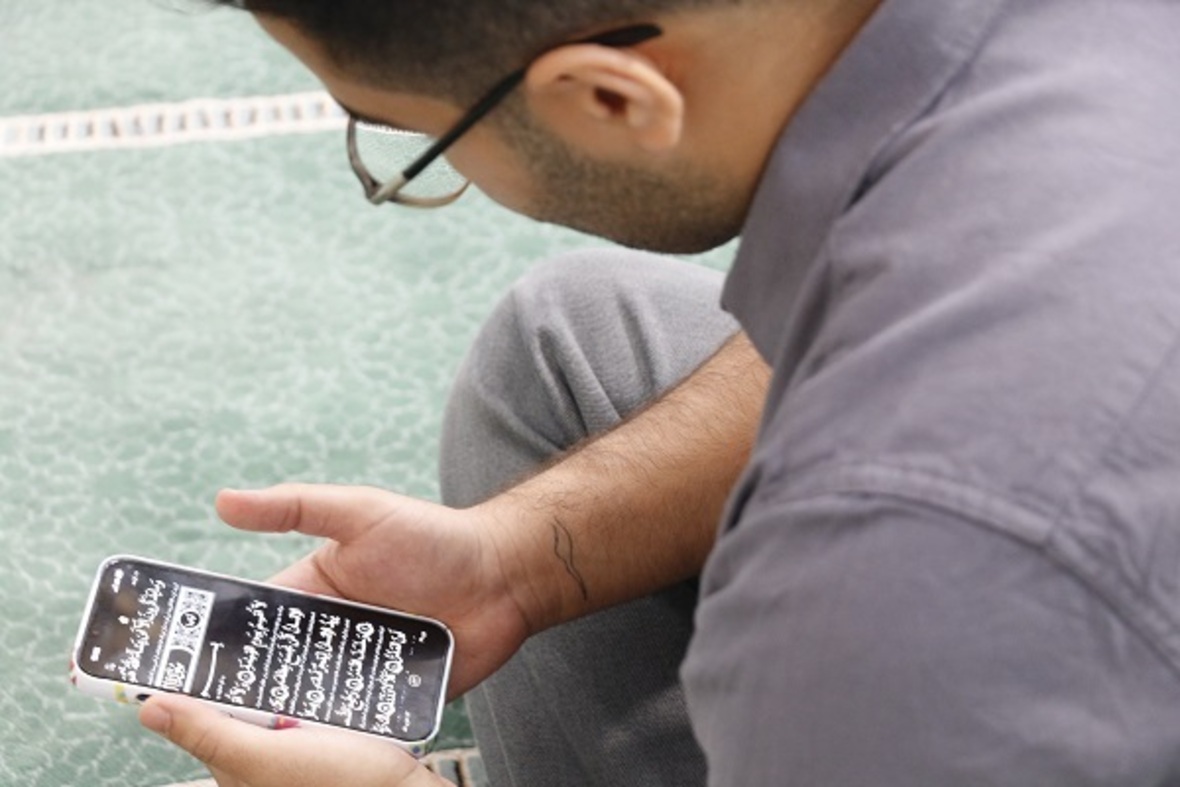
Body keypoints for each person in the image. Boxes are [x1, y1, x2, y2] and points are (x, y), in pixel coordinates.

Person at [139, 0, 1180, 784]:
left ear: (611, 99)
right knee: (566, 337)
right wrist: (515, 564)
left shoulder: (886, 579)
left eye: (415, 138)